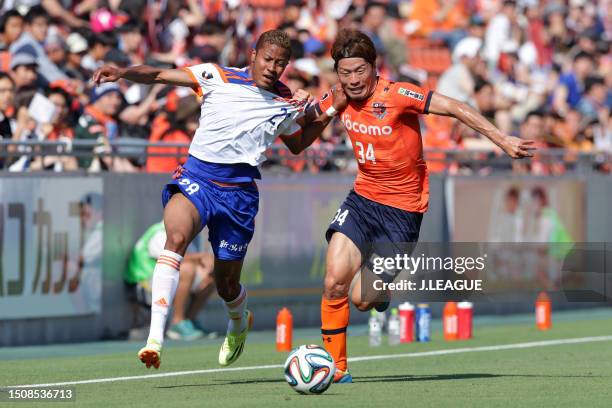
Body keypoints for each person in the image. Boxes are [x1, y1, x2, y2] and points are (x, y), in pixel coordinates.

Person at [311, 29, 535, 383]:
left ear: (374, 67)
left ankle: (380, 293)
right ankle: (335, 368)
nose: (353, 80)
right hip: (362, 200)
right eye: (345, 72)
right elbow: (304, 125)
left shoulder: (399, 94)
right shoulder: (338, 97)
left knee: (361, 299)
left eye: (359, 71)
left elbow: (455, 107)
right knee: (333, 280)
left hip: (402, 213)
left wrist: (501, 138)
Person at [93, 29, 324, 370]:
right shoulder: (216, 75)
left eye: (281, 63)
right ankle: (155, 338)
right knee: (176, 238)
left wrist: (320, 112)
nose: (273, 67)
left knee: (226, 283)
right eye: (268, 59)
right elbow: (159, 74)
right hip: (198, 177)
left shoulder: (284, 100)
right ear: (253, 55)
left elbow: (298, 143)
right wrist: (124, 73)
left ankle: (237, 319)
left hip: (239, 194)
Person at [126, 221, 216, 341]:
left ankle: (188, 321)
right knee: (187, 269)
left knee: (212, 277)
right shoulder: (160, 233)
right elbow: (171, 260)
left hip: (161, 280)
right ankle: (176, 323)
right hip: (143, 284)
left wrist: (207, 272)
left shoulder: (186, 235)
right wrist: (201, 257)